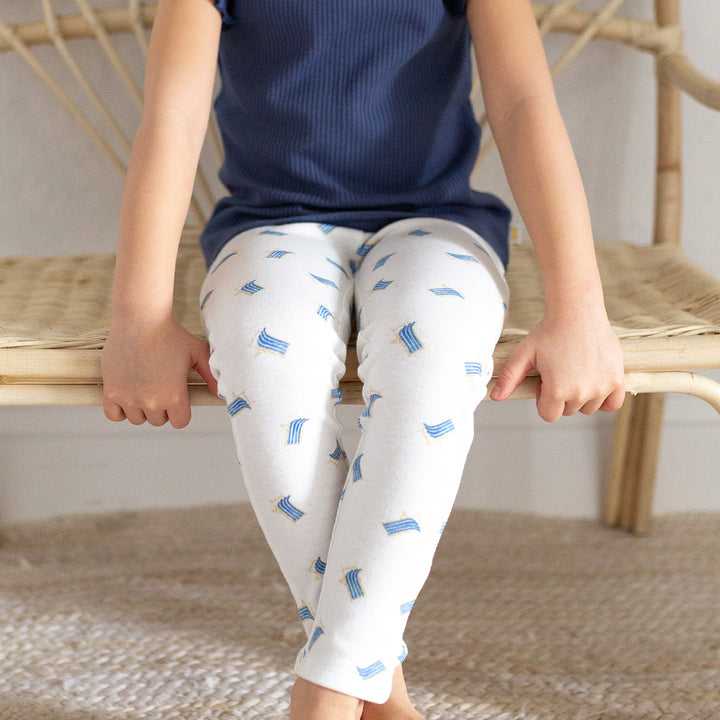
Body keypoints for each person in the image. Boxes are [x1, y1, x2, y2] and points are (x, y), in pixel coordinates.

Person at [101, 0, 626, 718]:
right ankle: (378, 689)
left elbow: (525, 102)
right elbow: (172, 113)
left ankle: (325, 692)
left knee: (433, 354)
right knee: (262, 354)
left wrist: (579, 308)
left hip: (438, 225)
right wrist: (138, 317)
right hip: (271, 225)